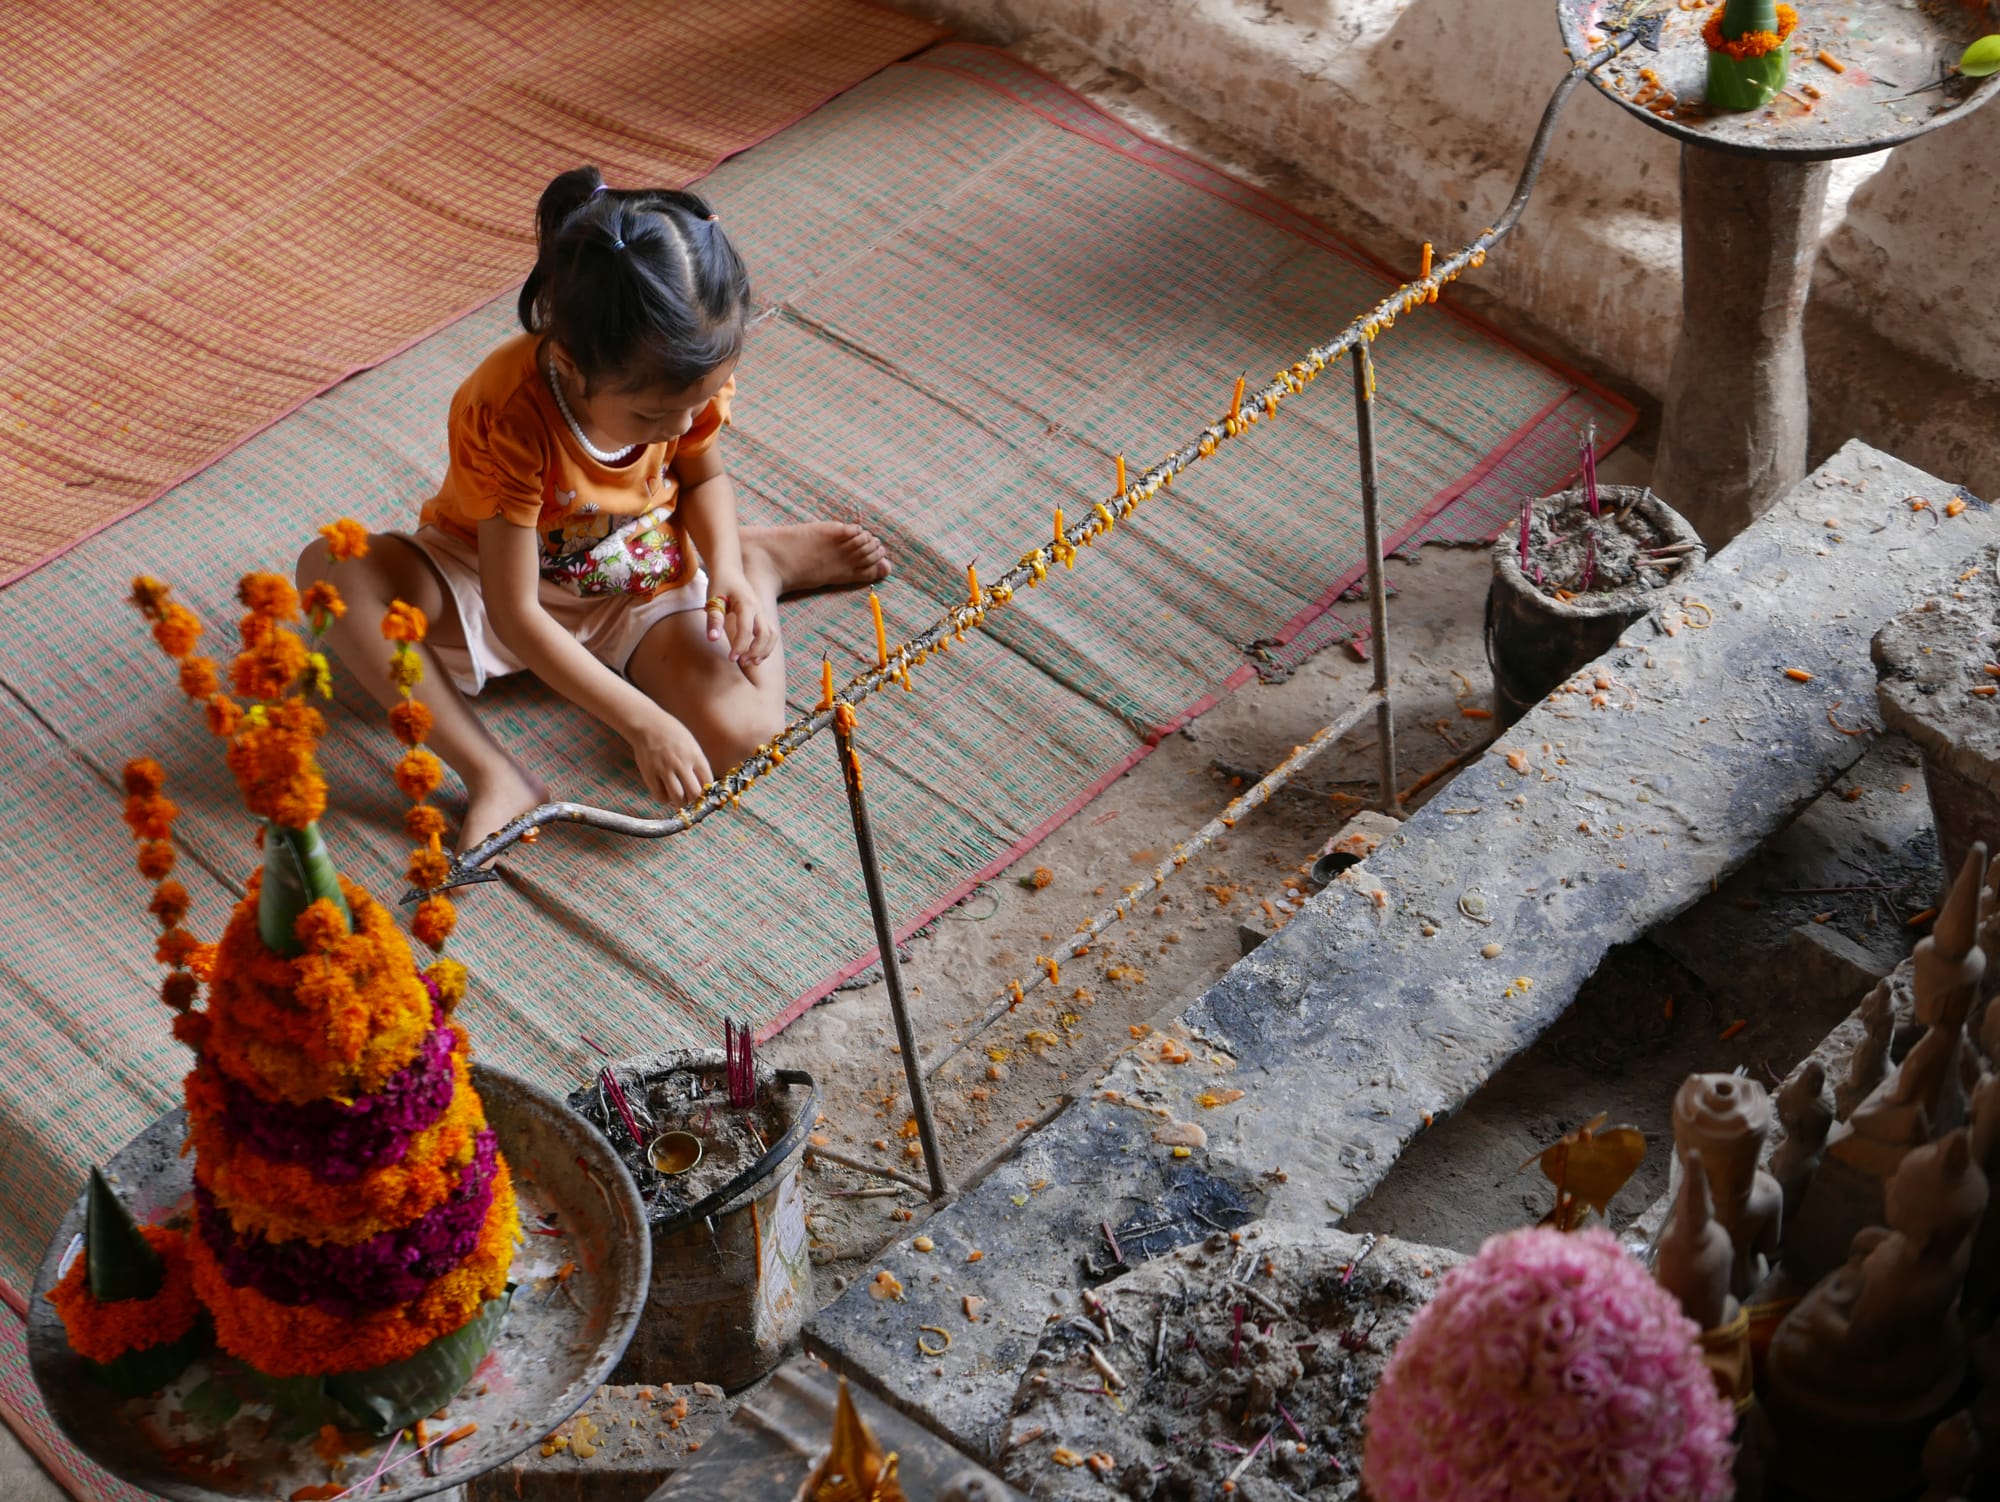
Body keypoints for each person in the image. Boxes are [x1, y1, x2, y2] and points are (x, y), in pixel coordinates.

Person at [299, 167, 889, 850]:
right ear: (573, 365)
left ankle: (755, 564)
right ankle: (494, 774)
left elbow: (701, 480)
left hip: (638, 568)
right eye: (650, 413)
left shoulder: (688, 380)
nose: (680, 426)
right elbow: (515, 610)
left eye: (701, 400)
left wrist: (722, 567)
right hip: (492, 572)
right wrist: (643, 722)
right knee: (332, 574)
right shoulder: (510, 407)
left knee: (747, 743)